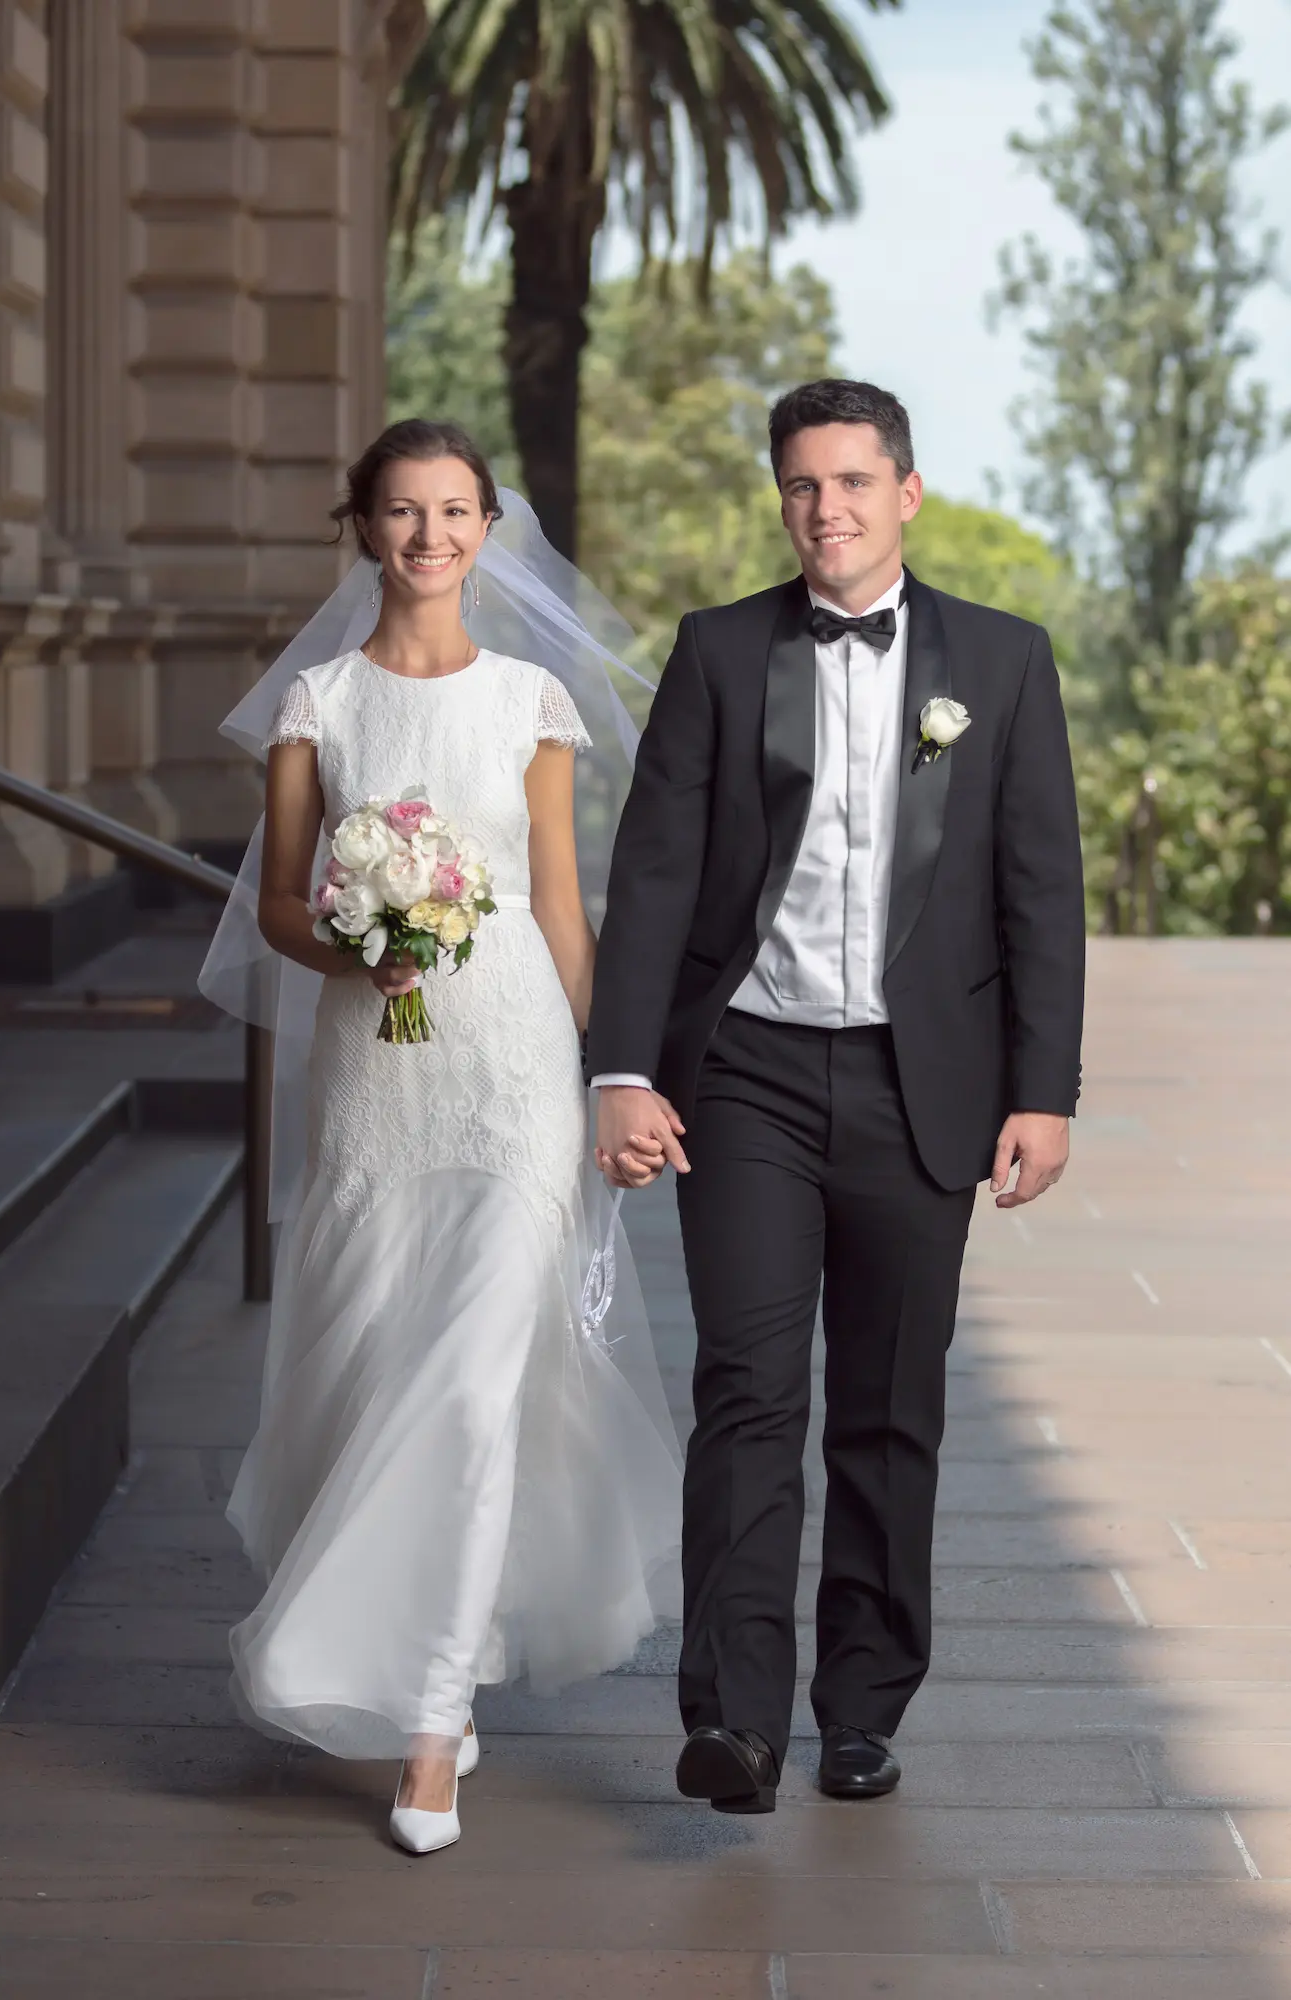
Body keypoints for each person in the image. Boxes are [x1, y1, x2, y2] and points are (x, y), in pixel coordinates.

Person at [587, 378, 1085, 1813]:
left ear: (906, 493)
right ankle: (735, 1719)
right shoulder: (721, 652)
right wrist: (625, 1069)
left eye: (854, 483)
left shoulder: (1001, 663)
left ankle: (860, 1706)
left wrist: (1040, 1090)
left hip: (922, 1083)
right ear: (782, 498)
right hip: (743, 1074)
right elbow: (660, 872)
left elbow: (1040, 892)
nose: (828, 511)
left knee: (885, 1407)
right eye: (803, 486)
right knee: (745, 1389)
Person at [203, 419, 681, 1855]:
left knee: (475, 1395)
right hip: (374, 1074)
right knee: (369, 1379)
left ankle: (426, 1730)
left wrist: (602, 1077)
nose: (429, 536)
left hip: (517, 1069)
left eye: (455, 510)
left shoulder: (534, 699)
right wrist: (360, 942)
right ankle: (438, 1668)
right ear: (362, 529)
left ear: (489, 528)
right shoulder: (319, 705)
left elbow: (562, 906)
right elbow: (283, 903)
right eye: (402, 513)